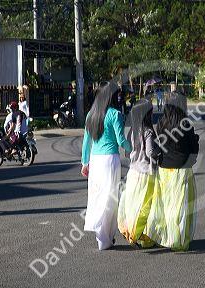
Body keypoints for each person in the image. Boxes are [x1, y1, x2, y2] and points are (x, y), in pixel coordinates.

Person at [81, 81, 132, 250]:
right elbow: (121, 140)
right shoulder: (115, 114)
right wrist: (135, 149)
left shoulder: (91, 115)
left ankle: (101, 237)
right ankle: (105, 237)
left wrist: (84, 163)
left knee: (96, 198)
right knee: (110, 199)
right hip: (110, 160)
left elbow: (86, 142)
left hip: (95, 161)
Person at [145, 93, 199, 251]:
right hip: (182, 169)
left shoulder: (161, 123)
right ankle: (179, 240)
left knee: (166, 204)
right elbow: (192, 148)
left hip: (164, 170)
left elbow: (157, 146)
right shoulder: (186, 124)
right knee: (181, 207)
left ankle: (166, 236)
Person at [117, 99, 159, 247]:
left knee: (134, 205)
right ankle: (141, 235)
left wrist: (135, 155)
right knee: (146, 206)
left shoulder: (132, 131)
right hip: (146, 173)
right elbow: (150, 151)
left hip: (133, 172)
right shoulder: (148, 131)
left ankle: (132, 231)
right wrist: (159, 150)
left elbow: (127, 153)